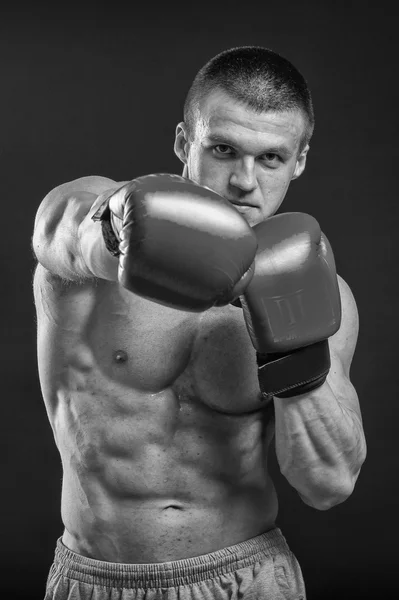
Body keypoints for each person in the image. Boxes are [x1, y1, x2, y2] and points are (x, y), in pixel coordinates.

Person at [33, 46, 367, 600]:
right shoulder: (96, 247)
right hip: (99, 578)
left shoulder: (319, 290)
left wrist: (293, 349)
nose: (243, 180)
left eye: (271, 159)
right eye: (223, 149)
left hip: (248, 578)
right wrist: (119, 239)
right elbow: (58, 228)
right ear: (185, 143)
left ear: (300, 161)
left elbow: (328, 483)